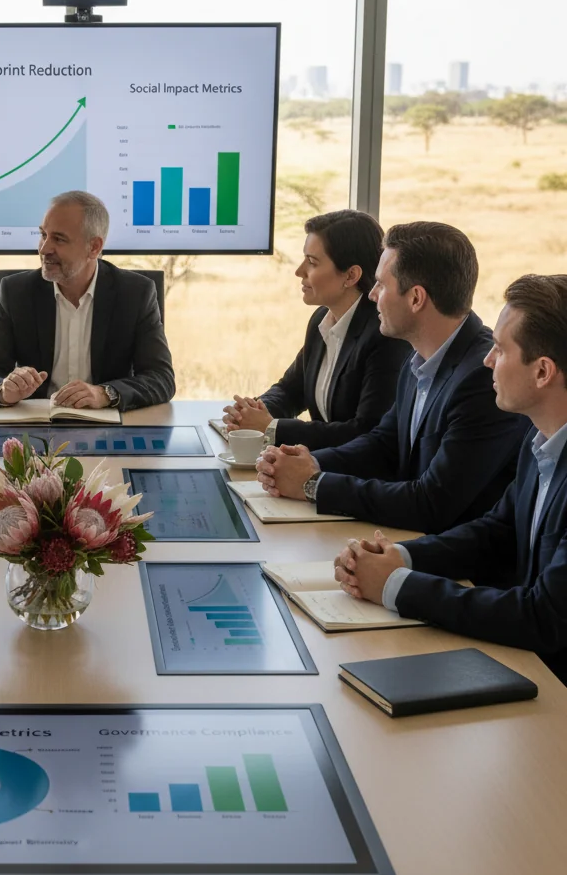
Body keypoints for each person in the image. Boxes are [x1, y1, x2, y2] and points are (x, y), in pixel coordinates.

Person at [334, 275, 567, 683]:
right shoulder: (541, 434)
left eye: (500, 349)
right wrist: (401, 557)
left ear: (543, 372)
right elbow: (497, 531)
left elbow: (542, 616)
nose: (487, 360)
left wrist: (396, 586)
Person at [255, 221, 528, 534]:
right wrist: (310, 463)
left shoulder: (481, 378)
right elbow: (384, 443)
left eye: (381, 285)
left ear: (415, 298)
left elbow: (431, 503)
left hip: (459, 569)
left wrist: (314, 484)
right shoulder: (419, 357)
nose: (371, 295)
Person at [0, 190, 175, 411]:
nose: (44, 249)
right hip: (33, 432)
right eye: (43, 235)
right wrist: (3, 392)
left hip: (107, 429)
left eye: (59, 239)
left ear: (94, 247)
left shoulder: (135, 293)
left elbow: (161, 378)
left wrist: (105, 393)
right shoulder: (16, 292)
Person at [224, 210, 410, 450]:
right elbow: (291, 390)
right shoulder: (322, 318)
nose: (299, 271)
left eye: (312, 262)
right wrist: (253, 412)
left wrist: (272, 428)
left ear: (351, 275)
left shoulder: (384, 336)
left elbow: (366, 430)